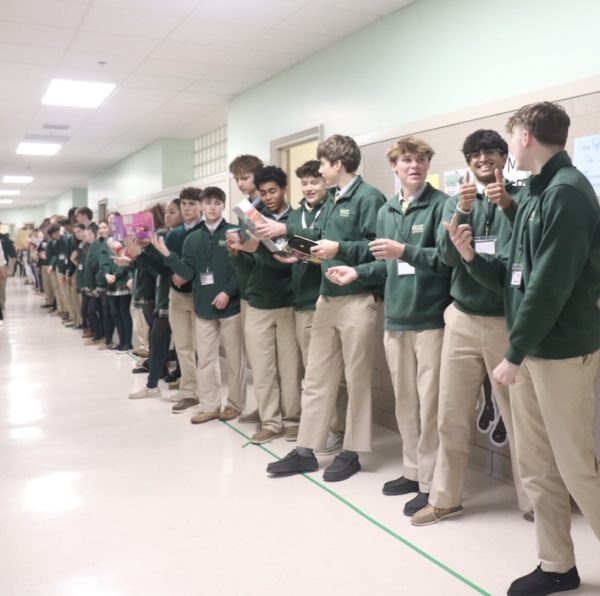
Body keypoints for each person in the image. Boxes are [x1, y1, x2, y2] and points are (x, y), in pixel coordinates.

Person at [446, 102, 599, 596]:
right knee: (536, 464)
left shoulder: (568, 194)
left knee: (577, 467)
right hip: (533, 349)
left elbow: (550, 287)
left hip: (559, 351)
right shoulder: (535, 193)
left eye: (511, 137)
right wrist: (469, 256)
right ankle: (557, 564)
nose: (508, 146)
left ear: (527, 136)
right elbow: (515, 274)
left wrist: (512, 353)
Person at [411, 129, 531, 526]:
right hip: (461, 319)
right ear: (468, 162)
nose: (484, 160)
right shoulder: (456, 202)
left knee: (520, 418)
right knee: (451, 413)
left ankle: (535, 502)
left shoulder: (522, 196)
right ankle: (446, 497)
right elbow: (446, 258)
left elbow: (524, 253)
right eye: (475, 155)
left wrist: (509, 205)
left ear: (504, 157)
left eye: (492, 153)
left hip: (505, 321)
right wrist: (461, 211)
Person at [327, 136, 451, 514]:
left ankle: (431, 485)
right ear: (395, 168)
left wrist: (404, 251)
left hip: (429, 320)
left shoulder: (441, 206)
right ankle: (413, 472)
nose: (413, 166)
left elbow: (445, 261)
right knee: (405, 403)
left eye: (420, 160)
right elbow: (388, 264)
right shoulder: (386, 211)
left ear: (428, 165)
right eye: (406, 161)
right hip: (396, 318)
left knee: (430, 406)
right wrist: (356, 272)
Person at [266, 134, 386, 482]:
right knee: (316, 376)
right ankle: (306, 449)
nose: (319, 171)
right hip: (327, 297)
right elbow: (318, 236)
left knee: (358, 378)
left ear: (337, 164)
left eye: (322, 164)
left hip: (358, 298)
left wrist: (339, 247)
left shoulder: (369, 197)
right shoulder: (332, 199)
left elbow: (377, 248)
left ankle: (352, 451)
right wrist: (287, 235)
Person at [154, 187, 246, 421]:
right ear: (202, 206)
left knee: (235, 359)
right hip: (203, 308)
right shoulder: (192, 239)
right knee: (205, 359)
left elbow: (243, 269)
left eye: (217, 203)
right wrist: (167, 253)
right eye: (208, 203)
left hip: (231, 306)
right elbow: (187, 272)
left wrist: (227, 291)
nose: (212, 207)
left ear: (223, 206)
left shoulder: (234, 233)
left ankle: (235, 404)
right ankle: (210, 405)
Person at [229, 166, 302, 443]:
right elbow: (247, 266)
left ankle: (293, 419)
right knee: (262, 367)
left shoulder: (296, 219)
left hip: (288, 303)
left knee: (290, 367)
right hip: (258, 302)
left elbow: (299, 259)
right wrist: (237, 253)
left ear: (284, 189)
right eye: (263, 193)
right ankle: (270, 422)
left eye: (273, 191)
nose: (269, 197)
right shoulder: (255, 220)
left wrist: (268, 247)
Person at [228, 154, 264, 424]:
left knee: (266, 358)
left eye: (245, 177)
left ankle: (276, 411)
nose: (241, 183)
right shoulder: (244, 207)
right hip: (248, 286)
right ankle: (264, 408)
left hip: (265, 288)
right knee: (256, 357)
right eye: (237, 179)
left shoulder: (264, 206)